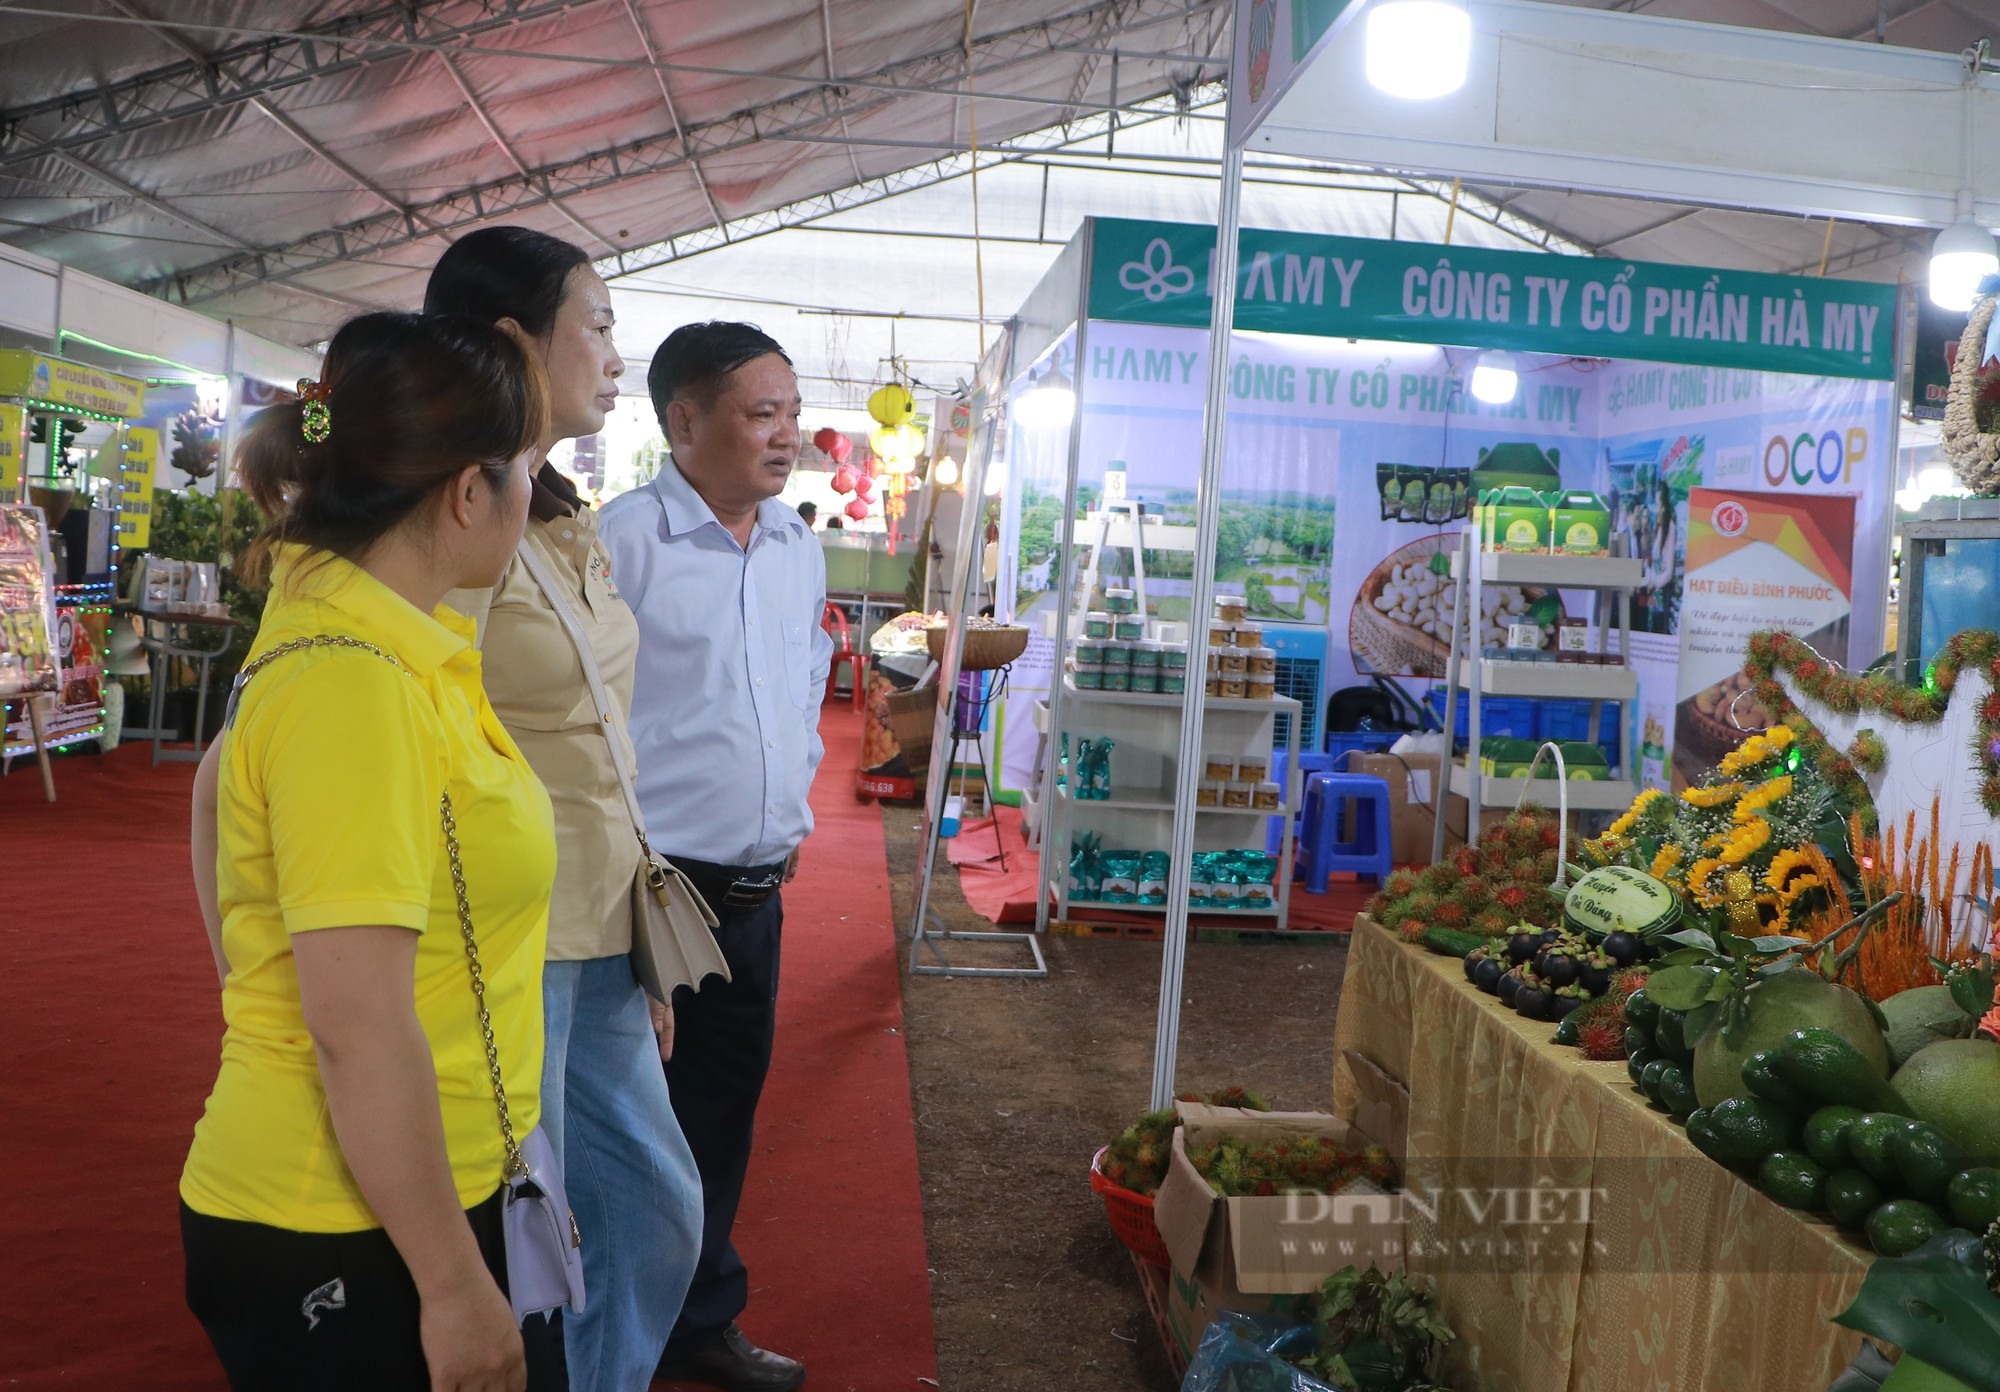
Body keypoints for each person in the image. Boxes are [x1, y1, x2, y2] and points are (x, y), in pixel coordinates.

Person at [179, 312, 564, 1391]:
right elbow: (355, 1027)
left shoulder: (358, 633)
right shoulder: (354, 679)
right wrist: (449, 1282)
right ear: (466, 492)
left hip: (402, 1186)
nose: (534, 493)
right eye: (525, 465)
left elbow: (217, 795)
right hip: (343, 1217)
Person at [426, 226, 711, 1392]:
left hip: (597, 930)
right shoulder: (452, 516)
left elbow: (600, 740)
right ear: (514, 340)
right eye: (594, 322)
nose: (612, 349)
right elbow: (421, 742)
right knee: (513, 1233)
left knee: (654, 1206)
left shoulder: (551, 508)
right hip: (505, 938)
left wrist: (641, 951)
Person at [599, 323, 830, 1392]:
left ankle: (696, 1318)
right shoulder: (620, 544)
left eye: (790, 411)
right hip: (648, 891)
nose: (787, 435)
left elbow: (797, 690)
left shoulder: (792, 542)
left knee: (719, 1114)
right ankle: (609, 1335)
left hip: (753, 891)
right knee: (622, 1129)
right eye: (759, 413)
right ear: (682, 420)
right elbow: (585, 726)